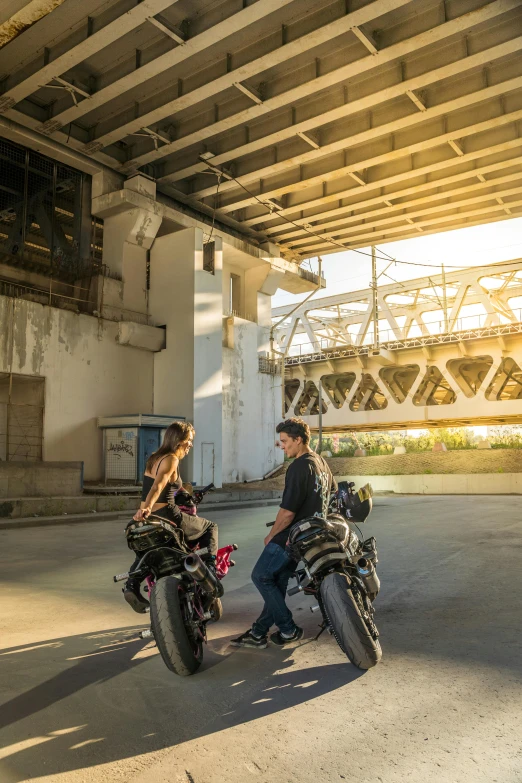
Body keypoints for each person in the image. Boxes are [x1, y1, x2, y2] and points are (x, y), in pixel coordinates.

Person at [231, 417, 336, 649]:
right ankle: (259, 633)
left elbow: (287, 513)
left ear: (298, 440)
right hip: (312, 537)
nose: (282, 446)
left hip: (292, 536)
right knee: (276, 582)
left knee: (260, 576)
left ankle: (288, 629)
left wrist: (271, 536)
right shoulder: (320, 463)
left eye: (285, 441)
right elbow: (333, 493)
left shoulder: (299, 466)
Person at [123, 421, 218, 613]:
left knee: (147, 550)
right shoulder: (172, 458)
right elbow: (159, 485)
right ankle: (209, 574)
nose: (190, 444)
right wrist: (148, 507)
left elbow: (166, 486)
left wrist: (145, 510)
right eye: (189, 440)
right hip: (166, 514)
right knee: (210, 527)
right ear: (178, 440)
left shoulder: (154, 458)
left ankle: (132, 584)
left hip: (147, 518)